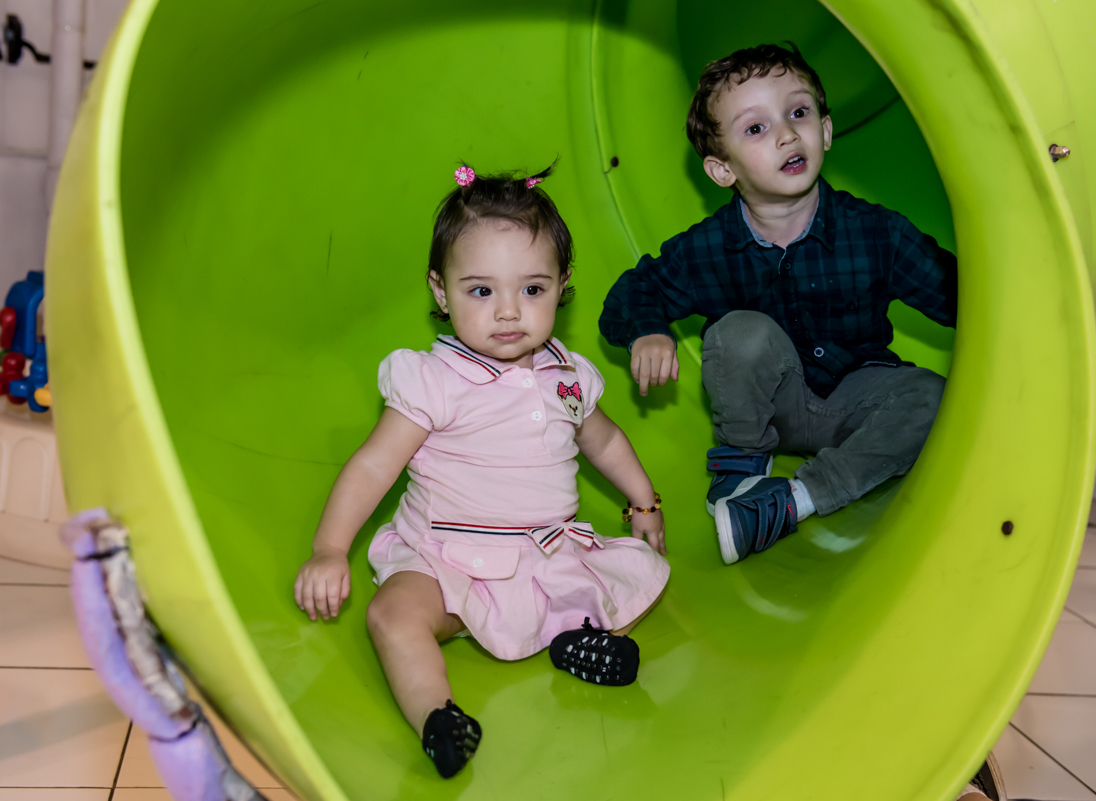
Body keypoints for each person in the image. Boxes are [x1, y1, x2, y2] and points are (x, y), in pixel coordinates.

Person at [294, 164, 670, 779]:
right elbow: (373, 465)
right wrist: (330, 548)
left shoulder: (567, 374)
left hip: (542, 554)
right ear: (441, 292)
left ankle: (574, 637)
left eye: (532, 290)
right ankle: (438, 717)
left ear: (562, 287)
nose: (507, 313)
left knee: (624, 577)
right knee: (392, 616)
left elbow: (603, 441)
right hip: (443, 558)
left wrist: (644, 502)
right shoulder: (434, 382)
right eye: (480, 291)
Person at [600, 42, 956, 566]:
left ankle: (795, 499)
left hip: (857, 401)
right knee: (737, 331)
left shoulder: (876, 233)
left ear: (826, 130)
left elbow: (963, 298)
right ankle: (744, 469)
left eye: (798, 113)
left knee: (930, 395)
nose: (787, 134)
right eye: (756, 128)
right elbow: (627, 297)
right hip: (768, 411)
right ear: (722, 171)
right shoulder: (707, 248)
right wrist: (649, 328)